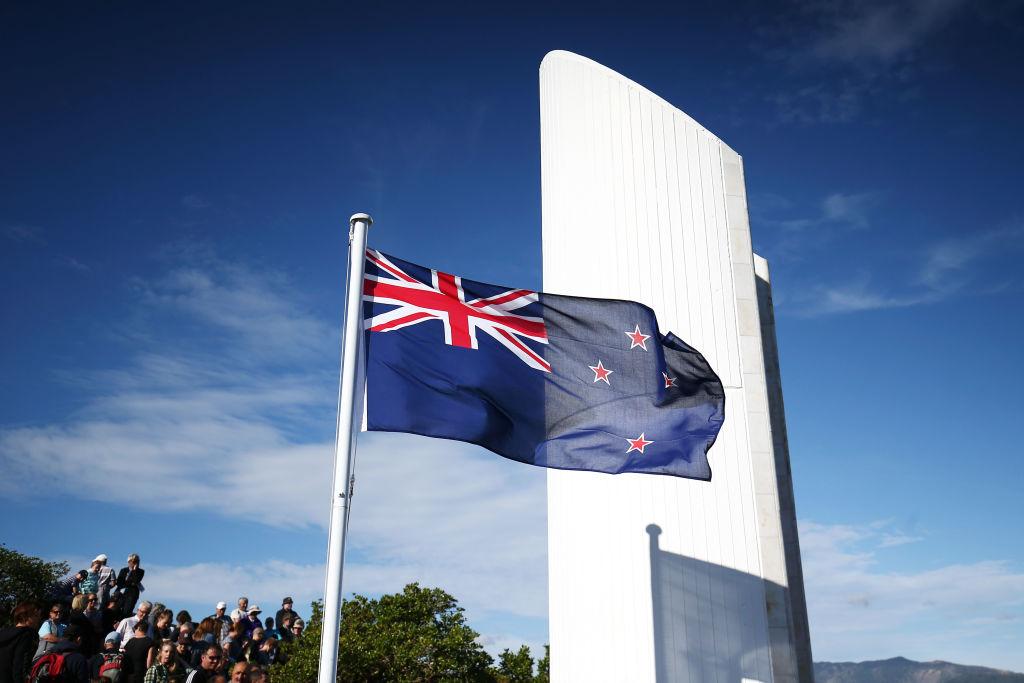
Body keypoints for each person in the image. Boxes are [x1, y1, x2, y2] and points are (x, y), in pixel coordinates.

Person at [0, 602, 42, 683]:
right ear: (25, 617)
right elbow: (19, 666)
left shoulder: (3, 632)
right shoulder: (26, 635)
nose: (39, 618)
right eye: (36, 615)